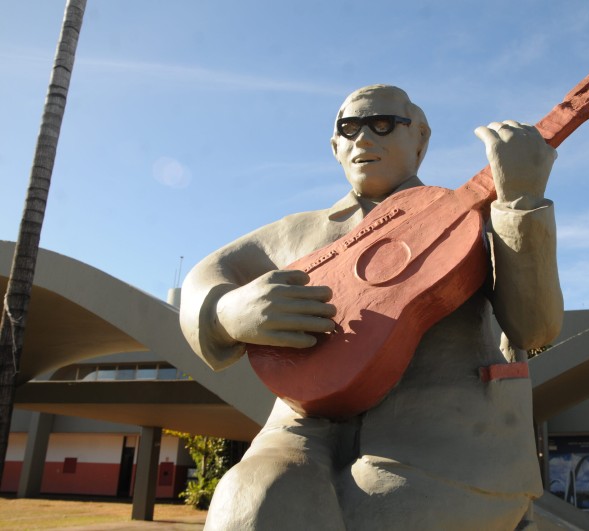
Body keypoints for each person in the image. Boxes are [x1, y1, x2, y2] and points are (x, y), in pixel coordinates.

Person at [179, 84, 563, 530]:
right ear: (335, 146)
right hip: (303, 425)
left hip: (448, 438)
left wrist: (519, 203)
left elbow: (534, 328)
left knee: (387, 512)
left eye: (382, 124)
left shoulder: (475, 220)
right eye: (349, 128)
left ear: (421, 138)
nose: (364, 139)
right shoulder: (295, 232)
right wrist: (226, 311)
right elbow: (205, 277)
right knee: (252, 499)